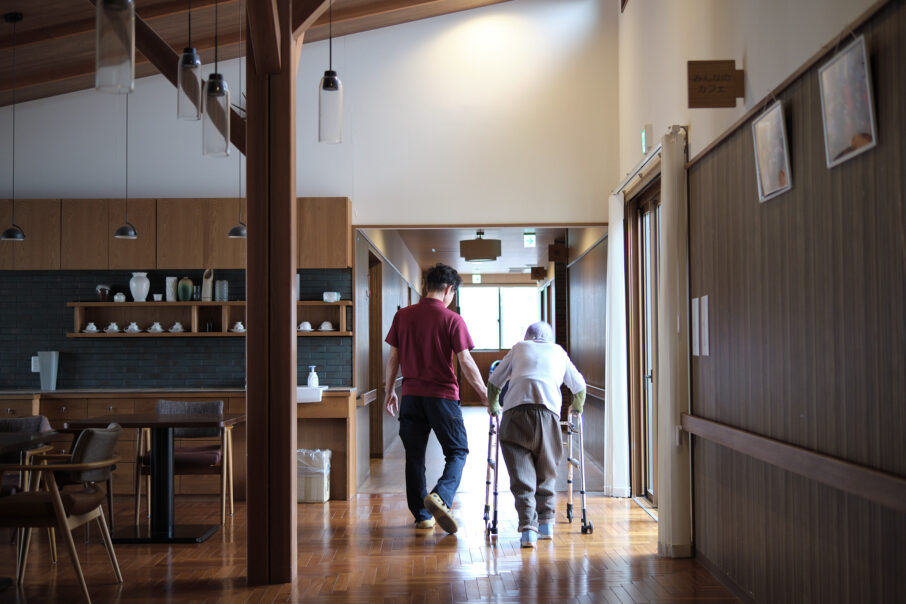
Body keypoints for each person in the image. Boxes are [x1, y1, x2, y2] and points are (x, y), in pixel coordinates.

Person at [384, 263, 488, 533]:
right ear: (449, 290)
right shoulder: (452, 319)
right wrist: (485, 395)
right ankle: (441, 496)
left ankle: (422, 516)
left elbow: (393, 357)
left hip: (410, 395)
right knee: (458, 450)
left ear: (425, 286)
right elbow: (465, 361)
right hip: (442, 396)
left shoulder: (403, 317)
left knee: (414, 456)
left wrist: (389, 391)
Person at [487, 321, 586, 548]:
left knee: (522, 478)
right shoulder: (558, 352)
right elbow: (579, 387)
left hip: (514, 416)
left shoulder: (519, 347)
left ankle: (527, 531)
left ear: (527, 337)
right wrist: (576, 409)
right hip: (547, 416)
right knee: (547, 471)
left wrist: (493, 406)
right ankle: (546, 524)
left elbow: (494, 382)